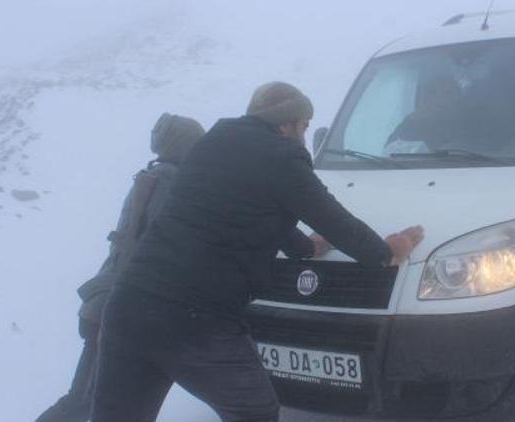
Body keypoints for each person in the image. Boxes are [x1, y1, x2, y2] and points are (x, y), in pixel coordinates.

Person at [90, 82, 424, 422]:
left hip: (129, 305)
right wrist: (386, 251)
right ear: (288, 123)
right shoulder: (282, 155)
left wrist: (307, 247)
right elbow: (332, 217)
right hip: (196, 319)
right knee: (256, 412)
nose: (304, 136)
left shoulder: (212, 144)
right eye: (305, 126)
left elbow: (243, 210)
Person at [35, 113, 206, 422]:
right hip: (119, 307)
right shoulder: (169, 183)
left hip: (110, 302)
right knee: (85, 401)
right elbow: (153, 249)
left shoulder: (152, 176)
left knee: (98, 400)